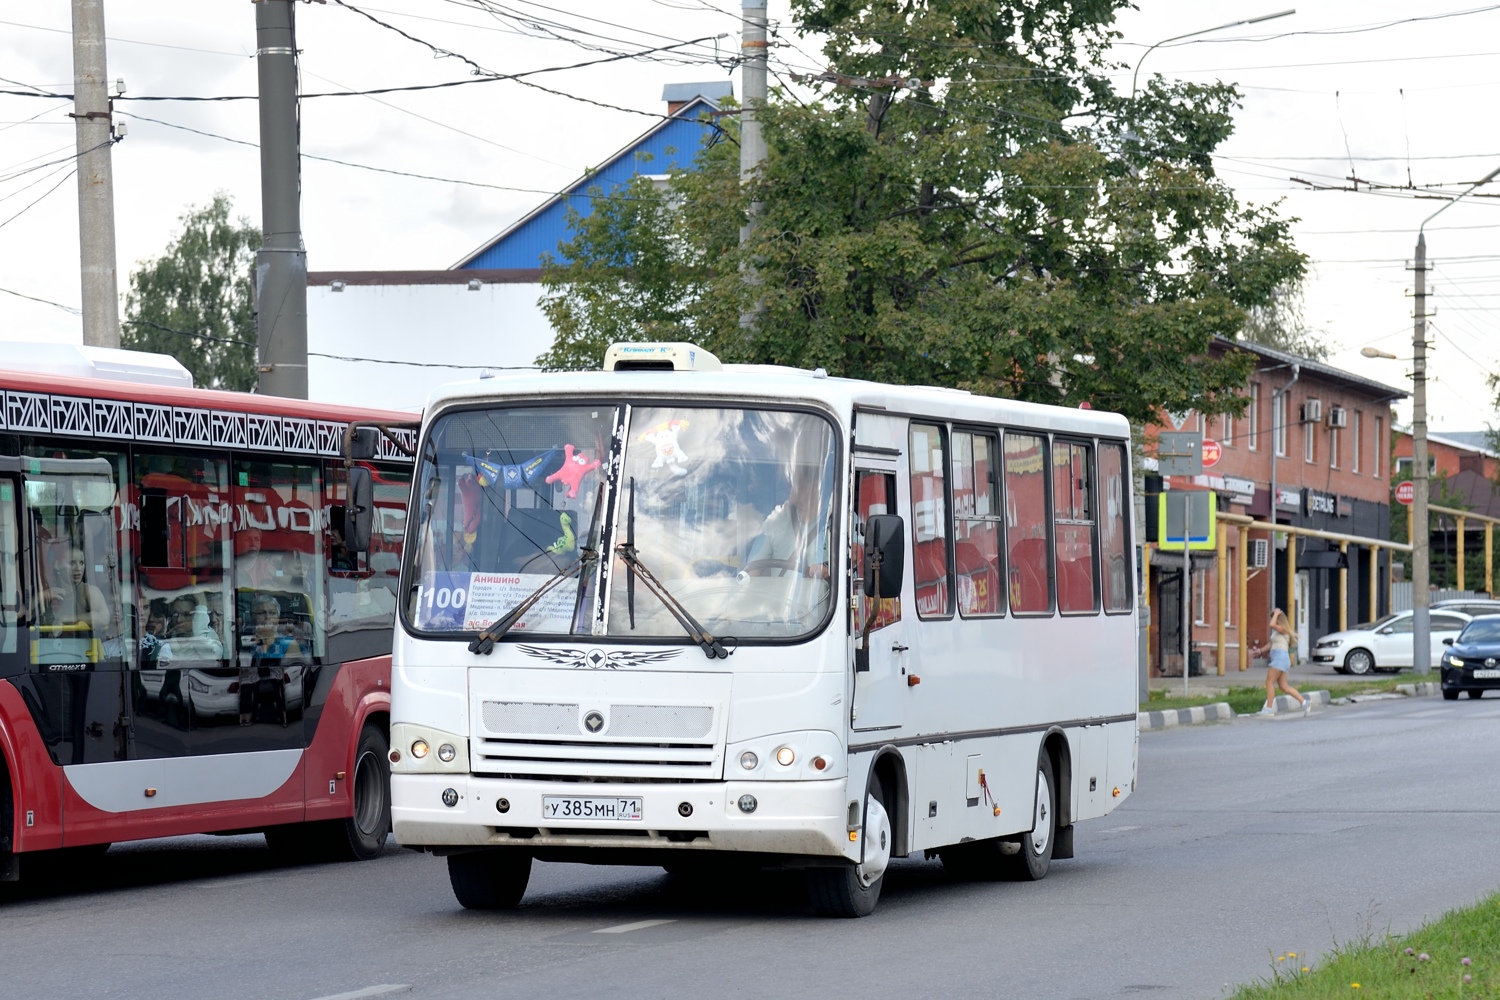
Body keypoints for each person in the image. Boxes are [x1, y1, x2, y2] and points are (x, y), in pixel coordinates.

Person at [741, 465, 830, 580]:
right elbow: (752, 571)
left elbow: (857, 553)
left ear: (814, 485)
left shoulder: (837, 517)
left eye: (795, 481)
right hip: (780, 597)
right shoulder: (775, 521)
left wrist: (828, 569)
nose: (789, 486)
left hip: (826, 597)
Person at [243, 594, 303, 727]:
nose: (267, 617)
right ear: (253, 617)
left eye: (272, 613)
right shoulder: (245, 644)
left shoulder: (289, 644)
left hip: (281, 706)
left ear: (278, 617)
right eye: (261, 613)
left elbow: (294, 679)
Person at [39, 546, 110, 632]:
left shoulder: (87, 591)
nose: (78, 568)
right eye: (72, 563)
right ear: (56, 564)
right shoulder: (47, 592)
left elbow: (104, 617)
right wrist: (40, 597)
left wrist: (66, 619)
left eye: (81, 563)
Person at [1261, 608, 1311, 716]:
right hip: (1281, 658)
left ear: (1279, 619)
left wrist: (1276, 614)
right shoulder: (1277, 632)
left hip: (1280, 657)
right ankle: (1304, 702)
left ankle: (1268, 709)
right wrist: (1260, 651)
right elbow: (1271, 644)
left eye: (1273, 617)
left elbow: (1271, 624)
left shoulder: (1283, 629)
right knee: (1284, 686)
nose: (1272, 619)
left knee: (1269, 682)